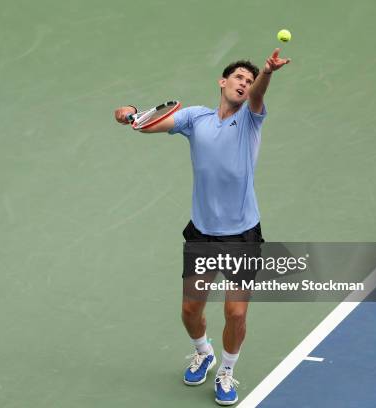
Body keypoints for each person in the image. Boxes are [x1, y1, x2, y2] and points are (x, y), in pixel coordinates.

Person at [113, 48, 291, 405]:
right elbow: (151, 124)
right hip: (202, 234)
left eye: (249, 80)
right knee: (190, 311)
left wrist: (267, 73)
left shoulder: (251, 119)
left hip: (242, 235)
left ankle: (226, 372)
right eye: (238, 78)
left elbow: (259, 93)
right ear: (222, 82)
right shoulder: (196, 118)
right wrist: (131, 114)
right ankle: (203, 352)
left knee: (235, 311)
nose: (245, 84)